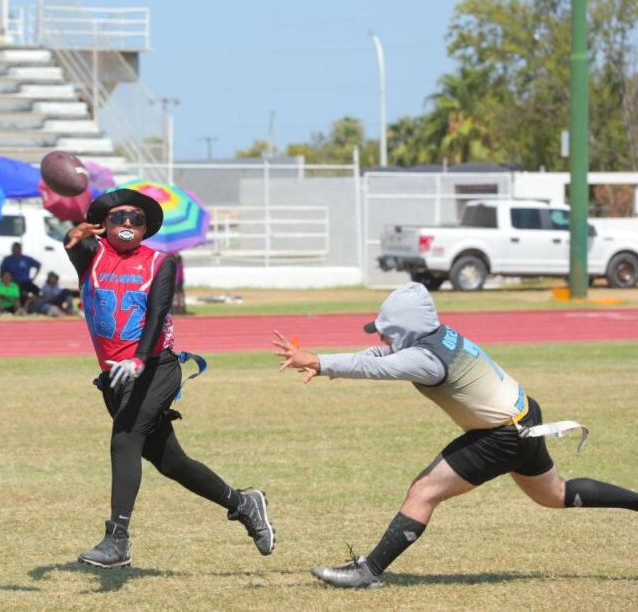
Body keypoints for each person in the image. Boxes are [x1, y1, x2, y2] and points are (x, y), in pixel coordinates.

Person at [271, 282, 638, 589]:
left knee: (423, 491)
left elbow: (374, 365)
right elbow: (379, 354)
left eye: (387, 329)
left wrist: (319, 361)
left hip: (503, 434)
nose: (381, 334)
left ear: (406, 331)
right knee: (555, 494)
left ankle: (368, 573)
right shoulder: (438, 336)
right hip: (525, 415)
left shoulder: (425, 360)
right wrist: (322, 362)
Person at [64, 188, 274, 569]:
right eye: (119, 217)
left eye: (136, 219)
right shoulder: (92, 258)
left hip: (155, 367)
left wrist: (141, 360)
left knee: (124, 439)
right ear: (103, 225)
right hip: (114, 376)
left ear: (145, 229)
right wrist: (72, 236)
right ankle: (243, 504)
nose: (128, 223)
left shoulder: (160, 262)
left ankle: (117, 541)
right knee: (172, 462)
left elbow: (158, 314)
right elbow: (73, 240)